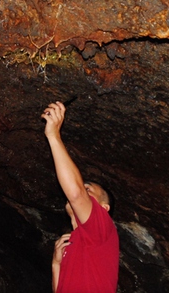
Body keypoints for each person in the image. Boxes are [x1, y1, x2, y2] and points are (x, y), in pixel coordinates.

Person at [42, 101, 119, 293]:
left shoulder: (103, 231)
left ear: (104, 208)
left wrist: (53, 135)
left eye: (89, 189)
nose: (82, 191)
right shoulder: (75, 241)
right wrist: (56, 264)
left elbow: (75, 194)